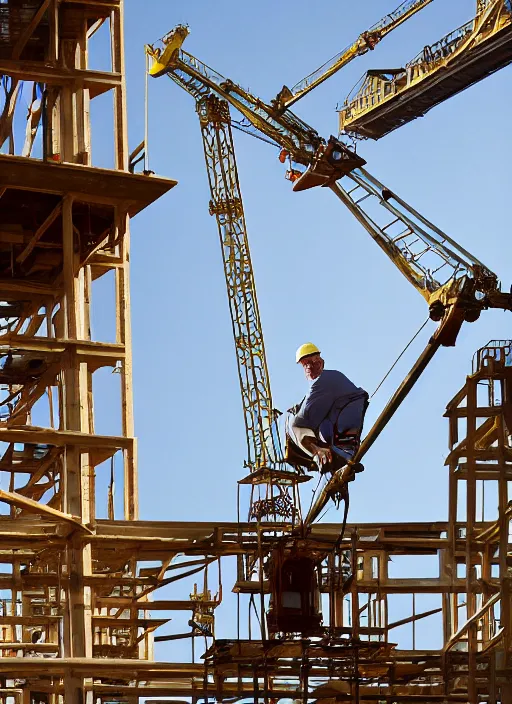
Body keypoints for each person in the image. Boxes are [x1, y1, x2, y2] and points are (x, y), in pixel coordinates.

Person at [286, 343, 368, 471]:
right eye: (305, 364)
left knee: (295, 424)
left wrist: (293, 416)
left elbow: (306, 417)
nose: (308, 367)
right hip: (342, 436)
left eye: (311, 361)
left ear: (320, 362)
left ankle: (320, 456)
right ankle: (330, 459)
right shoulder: (330, 378)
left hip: (340, 438)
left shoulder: (324, 381)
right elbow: (312, 402)